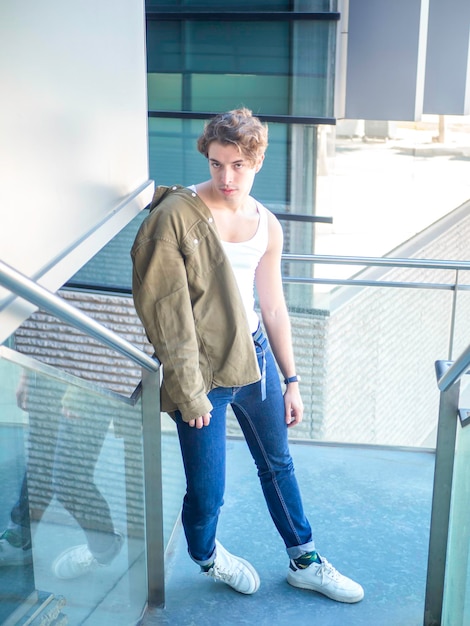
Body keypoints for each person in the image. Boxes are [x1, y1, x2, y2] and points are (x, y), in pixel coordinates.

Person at [131, 108, 364, 603]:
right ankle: (207, 555)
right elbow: (166, 315)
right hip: (202, 368)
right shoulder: (180, 214)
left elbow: (273, 306)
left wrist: (293, 379)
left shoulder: (267, 225)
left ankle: (305, 559)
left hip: (254, 358)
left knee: (278, 464)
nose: (225, 177)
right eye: (216, 164)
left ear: (256, 161)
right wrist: (188, 391)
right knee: (207, 490)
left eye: (237, 165)